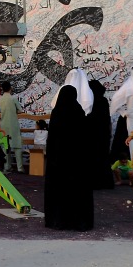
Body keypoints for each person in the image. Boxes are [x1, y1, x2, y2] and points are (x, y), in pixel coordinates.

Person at [43, 85, 93, 231]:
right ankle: (78, 221)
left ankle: (58, 220)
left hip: (58, 162)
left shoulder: (57, 112)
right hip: (77, 163)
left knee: (59, 191)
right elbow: (85, 139)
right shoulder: (79, 112)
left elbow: (51, 139)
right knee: (77, 192)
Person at [87, 79, 114, 190]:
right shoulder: (103, 101)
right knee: (103, 158)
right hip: (103, 134)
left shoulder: (90, 101)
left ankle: (94, 182)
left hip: (92, 135)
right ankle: (105, 182)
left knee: (92, 158)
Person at [0, 81, 24, 174]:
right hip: (13, 124)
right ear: (10, 88)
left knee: (6, 146)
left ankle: (7, 166)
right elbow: (20, 110)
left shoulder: (0, 99)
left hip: (4, 124)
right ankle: (20, 167)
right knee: (17, 145)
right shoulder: (13, 98)